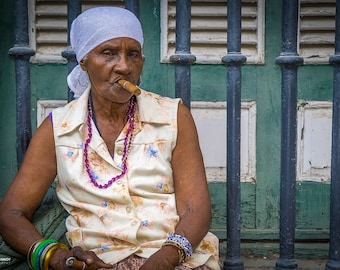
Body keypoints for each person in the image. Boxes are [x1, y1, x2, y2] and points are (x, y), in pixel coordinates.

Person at [0, 6, 220, 270]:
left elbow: (195, 209)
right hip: (97, 262)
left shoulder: (173, 117)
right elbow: (12, 214)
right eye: (108, 53)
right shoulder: (58, 128)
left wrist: (163, 260)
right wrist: (55, 256)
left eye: (133, 55)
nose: (124, 66)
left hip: (172, 257)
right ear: (83, 62)